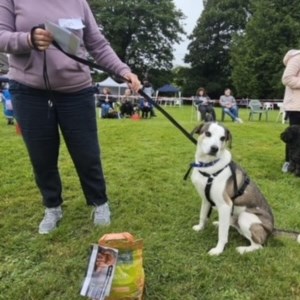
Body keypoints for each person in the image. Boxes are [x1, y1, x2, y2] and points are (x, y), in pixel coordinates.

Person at [0, 0, 141, 234]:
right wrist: (28, 39)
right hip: (28, 90)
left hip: (77, 90)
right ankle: (52, 206)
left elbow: (97, 44)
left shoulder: (78, 2)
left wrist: (123, 71)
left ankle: (99, 202)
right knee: (41, 155)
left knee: (87, 153)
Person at [281, 49, 300, 172]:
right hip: (296, 105)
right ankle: (289, 163)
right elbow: (287, 78)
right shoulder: (297, 57)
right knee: (294, 137)